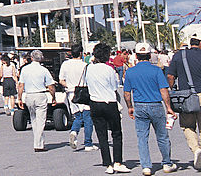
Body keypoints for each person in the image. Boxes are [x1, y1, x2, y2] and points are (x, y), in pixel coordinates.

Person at [123, 42, 177, 175]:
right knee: (162, 136)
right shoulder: (156, 70)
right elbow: (163, 90)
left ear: (136, 55)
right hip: (156, 105)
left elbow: (127, 93)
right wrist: (168, 107)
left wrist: (130, 107)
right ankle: (166, 163)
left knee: (142, 137)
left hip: (140, 106)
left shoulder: (130, 71)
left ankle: (146, 166)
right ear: (149, 55)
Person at [87, 43, 131, 173]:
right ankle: (118, 161)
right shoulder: (109, 70)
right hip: (109, 102)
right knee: (116, 133)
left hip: (95, 103)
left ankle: (108, 164)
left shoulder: (88, 68)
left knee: (101, 134)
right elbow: (114, 87)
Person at [166, 36, 201, 172]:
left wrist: (173, 89)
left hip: (186, 97)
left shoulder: (179, 55)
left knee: (187, 125)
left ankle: (196, 149)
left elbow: (170, 76)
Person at [17, 49, 57, 153]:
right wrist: (53, 97)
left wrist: (19, 97)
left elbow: (21, 85)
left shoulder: (25, 69)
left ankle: (38, 141)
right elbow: (51, 86)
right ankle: (38, 144)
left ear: (31, 58)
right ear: (41, 58)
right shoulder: (43, 70)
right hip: (40, 94)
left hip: (29, 95)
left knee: (34, 119)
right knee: (41, 120)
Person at [60, 44, 96, 152]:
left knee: (78, 117)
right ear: (81, 53)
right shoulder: (85, 65)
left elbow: (61, 80)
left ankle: (74, 132)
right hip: (84, 93)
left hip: (71, 93)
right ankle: (88, 143)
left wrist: (70, 87)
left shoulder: (65, 65)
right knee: (88, 118)